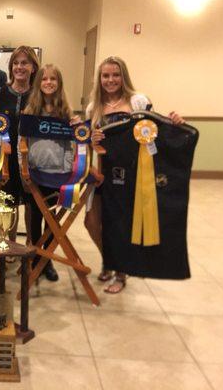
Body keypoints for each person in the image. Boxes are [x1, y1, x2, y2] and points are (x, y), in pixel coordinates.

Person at [86, 56, 184, 294]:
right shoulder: (94, 106)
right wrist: (91, 139)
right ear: (99, 79)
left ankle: (120, 272)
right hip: (102, 172)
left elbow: (154, 130)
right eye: (106, 75)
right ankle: (110, 260)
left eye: (115, 75)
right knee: (91, 222)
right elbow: (88, 143)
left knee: (120, 225)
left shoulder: (138, 101)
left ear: (124, 76)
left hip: (131, 173)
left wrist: (175, 123)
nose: (110, 80)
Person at [0, 46, 49, 275]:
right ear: (11, 66)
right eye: (16, 63)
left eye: (25, 63)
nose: (20, 67)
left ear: (34, 67)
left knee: (32, 204)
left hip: (31, 157)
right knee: (9, 202)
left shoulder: (40, 93)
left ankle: (31, 247)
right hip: (6, 158)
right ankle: (10, 245)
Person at [21, 64, 80, 282]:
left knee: (52, 221)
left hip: (59, 174)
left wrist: (67, 170)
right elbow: (22, 143)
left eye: (53, 79)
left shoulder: (65, 113)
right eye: (44, 79)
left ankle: (48, 260)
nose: (48, 82)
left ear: (59, 83)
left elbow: (72, 145)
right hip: (35, 173)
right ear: (38, 84)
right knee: (35, 219)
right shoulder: (30, 112)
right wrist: (24, 169)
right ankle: (36, 260)